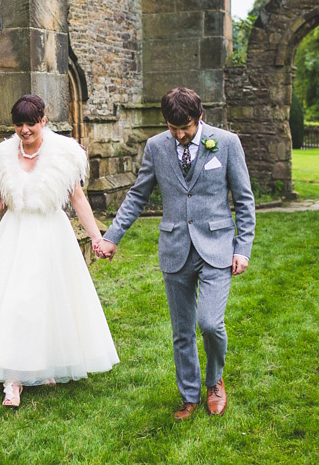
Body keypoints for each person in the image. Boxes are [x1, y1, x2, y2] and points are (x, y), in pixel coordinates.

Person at [0, 94, 119, 408]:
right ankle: (12, 378)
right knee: (13, 300)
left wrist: (96, 237)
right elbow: (0, 201)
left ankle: (43, 365)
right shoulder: (4, 155)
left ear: (43, 121)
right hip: (15, 235)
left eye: (30, 123)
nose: (24, 130)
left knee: (48, 300)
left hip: (51, 234)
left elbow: (78, 199)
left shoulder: (64, 155)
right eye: (18, 124)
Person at [96, 87, 255, 420]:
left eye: (186, 128)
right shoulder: (156, 147)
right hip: (175, 248)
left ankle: (214, 382)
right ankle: (188, 395)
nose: (180, 135)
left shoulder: (226, 143)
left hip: (217, 247)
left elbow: (243, 199)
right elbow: (138, 196)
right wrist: (113, 236)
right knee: (182, 330)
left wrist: (242, 248)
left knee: (210, 324)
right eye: (173, 128)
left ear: (200, 118)